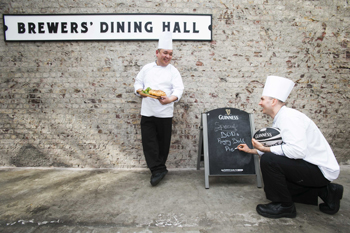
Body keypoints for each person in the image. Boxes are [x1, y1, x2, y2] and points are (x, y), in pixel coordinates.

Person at [238, 76, 343, 218]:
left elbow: (297, 152)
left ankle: (284, 206)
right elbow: (281, 149)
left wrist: (264, 150)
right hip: (311, 168)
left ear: (273, 101)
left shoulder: (289, 118)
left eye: (262, 99)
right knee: (275, 166)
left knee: (269, 160)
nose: (259, 103)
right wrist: (252, 150)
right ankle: (326, 192)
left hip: (319, 170)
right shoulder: (281, 118)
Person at [134, 32, 184, 186]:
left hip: (165, 113)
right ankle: (158, 169)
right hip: (148, 112)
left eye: (170, 54)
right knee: (149, 143)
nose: (168, 56)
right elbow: (138, 83)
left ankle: (159, 168)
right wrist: (139, 92)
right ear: (157, 53)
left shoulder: (173, 71)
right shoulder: (147, 68)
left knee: (163, 143)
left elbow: (179, 89)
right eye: (165, 53)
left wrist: (169, 99)